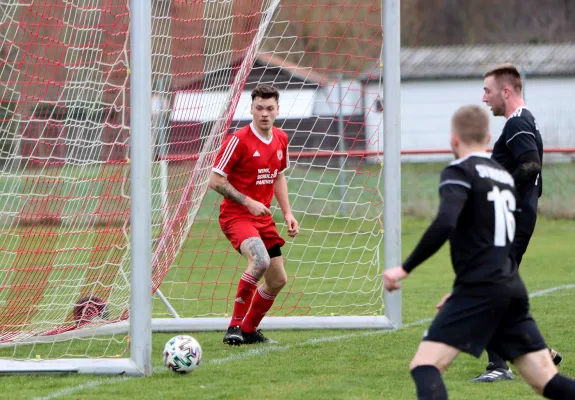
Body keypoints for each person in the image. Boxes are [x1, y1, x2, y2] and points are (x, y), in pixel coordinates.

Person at [383, 105, 575, 400]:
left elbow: (445, 222)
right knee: (547, 382)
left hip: (482, 287)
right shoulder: (503, 177)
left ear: (454, 140)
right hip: (509, 287)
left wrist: (404, 268)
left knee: (425, 365)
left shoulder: (459, 171)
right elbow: (505, 240)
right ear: (488, 138)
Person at [473, 63, 561, 382]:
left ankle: (499, 366)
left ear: (506, 92)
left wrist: (501, 191)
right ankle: (538, 352)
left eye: (488, 90)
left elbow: (530, 166)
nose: (484, 98)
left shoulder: (518, 123)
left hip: (512, 220)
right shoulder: (522, 121)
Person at [209, 85, 299, 346]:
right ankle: (234, 327)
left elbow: (279, 175)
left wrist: (288, 213)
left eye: (270, 108)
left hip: (264, 219)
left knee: (278, 279)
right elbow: (214, 180)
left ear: (277, 110)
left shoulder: (281, 138)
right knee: (259, 260)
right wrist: (247, 202)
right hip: (237, 216)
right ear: (251, 108)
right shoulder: (237, 140)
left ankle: (249, 330)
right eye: (259, 108)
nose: (264, 114)